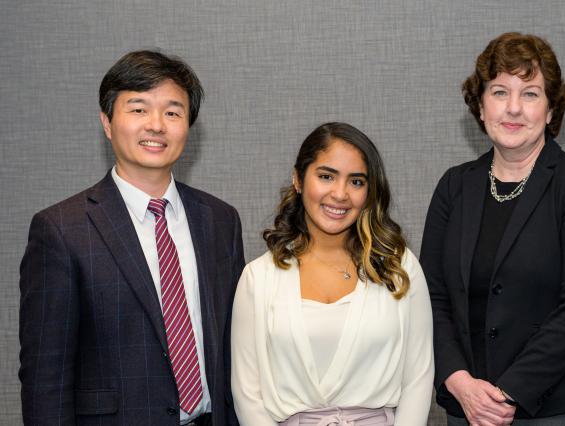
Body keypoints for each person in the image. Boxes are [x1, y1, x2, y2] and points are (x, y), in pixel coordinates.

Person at [19, 50, 244, 425]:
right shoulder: (61, 230)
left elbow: (235, 349)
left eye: (173, 112)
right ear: (107, 122)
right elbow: (46, 379)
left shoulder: (220, 220)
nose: (156, 125)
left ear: (188, 125)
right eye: (138, 109)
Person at [420, 32, 565, 425]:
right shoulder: (454, 187)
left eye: (529, 93)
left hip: (552, 410)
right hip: (467, 408)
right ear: (480, 106)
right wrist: (460, 383)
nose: (513, 109)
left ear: (550, 110)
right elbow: (431, 300)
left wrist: (508, 394)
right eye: (498, 92)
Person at [231, 122, 434, 425]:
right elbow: (247, 394)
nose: (340, 194)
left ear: (370, 190)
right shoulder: (258, 278)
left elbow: (419, 379)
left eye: (356, 182)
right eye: (326, 176)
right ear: (298, 179)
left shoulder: (399, 268)